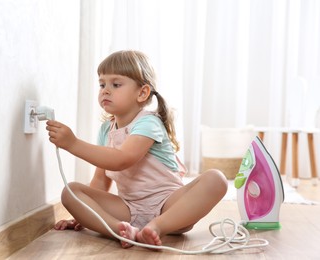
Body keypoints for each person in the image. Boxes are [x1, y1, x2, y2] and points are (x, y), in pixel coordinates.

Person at [46, 50, 228, 249]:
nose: (105, 90)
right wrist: (87, 214)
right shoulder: (106, 130)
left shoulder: (149, 122)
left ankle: (157, 226)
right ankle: (120, 230)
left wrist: (73, 144)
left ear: (142, 93)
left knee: (216, 178)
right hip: (128, 209)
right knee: (70, 192)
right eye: (102, 84)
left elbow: (122, 159)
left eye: (115, 84)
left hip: (169, 206)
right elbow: (101, 180)